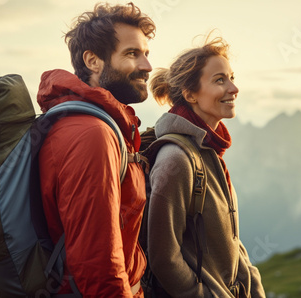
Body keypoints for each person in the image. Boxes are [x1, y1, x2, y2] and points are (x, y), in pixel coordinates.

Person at [36, 2, 155, 297]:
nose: (147, 67)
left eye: (146, 54)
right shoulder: (93, 135)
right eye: (132, 54)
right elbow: (98, 266)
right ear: (93, 61)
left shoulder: (95, 125)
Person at [147, 37, 266, 297]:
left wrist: (254, 287)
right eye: (220, 80)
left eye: (231, 77)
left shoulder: (209, 150)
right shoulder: (176, 160)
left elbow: (230, 240)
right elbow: (163, 257)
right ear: (190, 94)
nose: (234, 88)